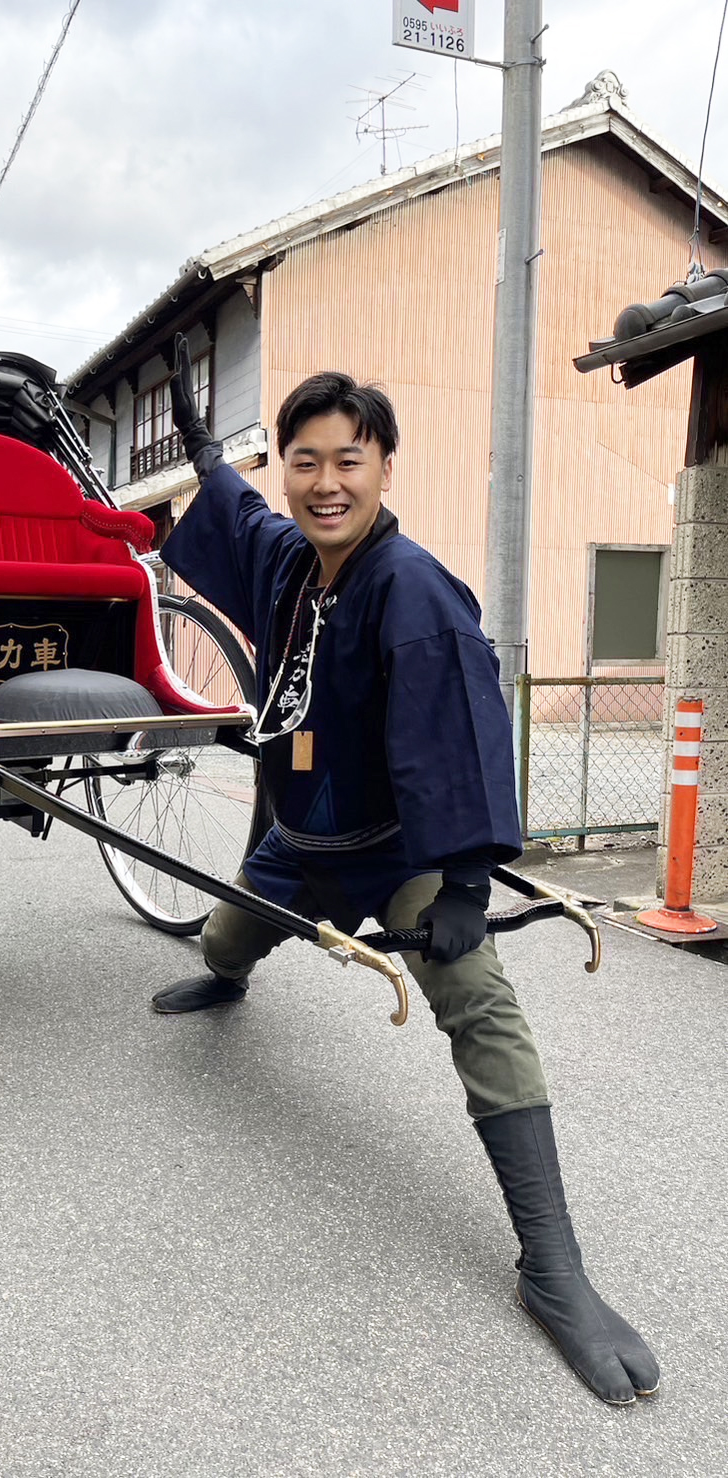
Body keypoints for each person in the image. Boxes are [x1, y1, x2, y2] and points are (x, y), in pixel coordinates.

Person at [155, 335, 659, 1406]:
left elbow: (457, 742)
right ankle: (229, 975)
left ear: (385, 465)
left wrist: (465, 890)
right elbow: (238, 519)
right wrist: (204, 457)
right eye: (304, 461)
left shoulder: (414, 590)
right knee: (223, 937)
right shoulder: (293, 561)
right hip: (296, 841)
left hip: (396, 852)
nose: (324, 482)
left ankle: (552, 1265)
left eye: (349, 459)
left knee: (480, 1004)